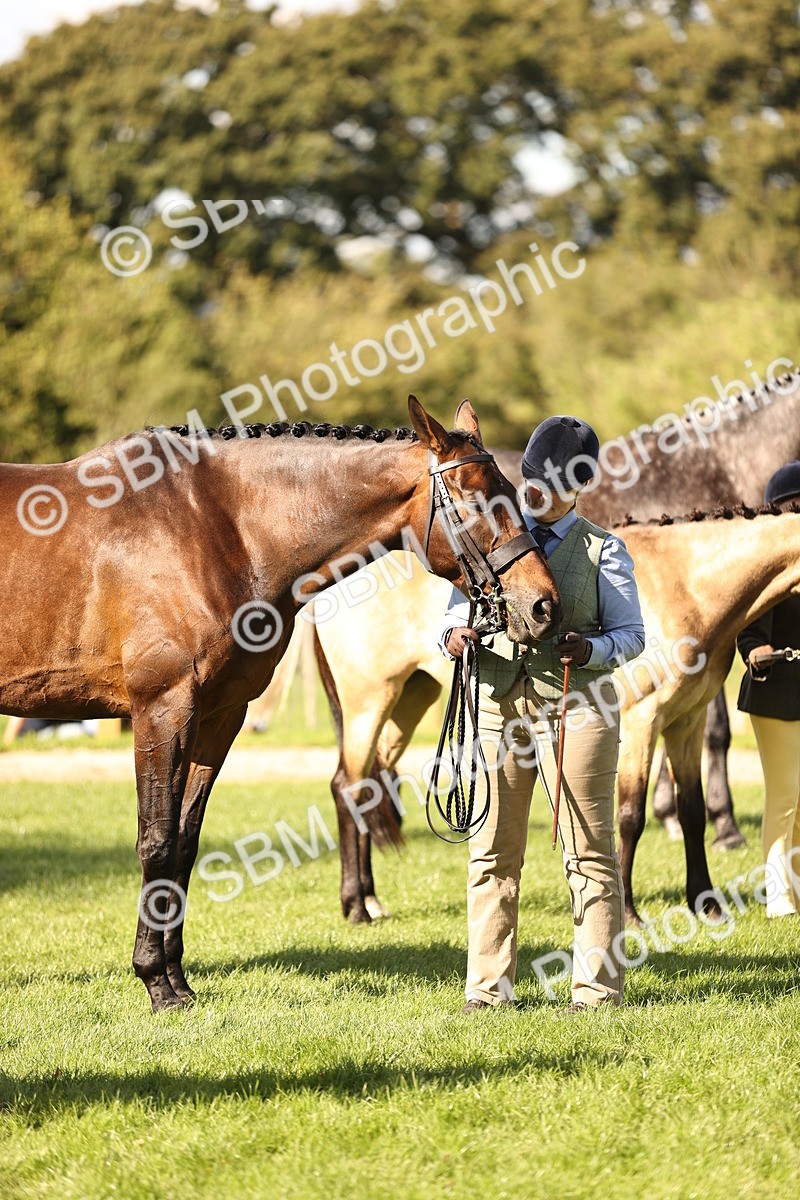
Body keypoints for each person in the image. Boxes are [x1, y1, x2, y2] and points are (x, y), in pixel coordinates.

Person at [440, 415, 645, 1013]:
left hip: (576, 709)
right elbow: (450, 616)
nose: (534, 492)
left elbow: (632, 636)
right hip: (496, 707)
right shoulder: (496, 535)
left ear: (579, 489)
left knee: (590, 854)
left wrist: (592, 649)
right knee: (491, 854)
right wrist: (455, 638)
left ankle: (596, 991)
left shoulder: (605, 551)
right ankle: (487, 989)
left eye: (550, 485)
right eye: (530, 479)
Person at [736, 462, 800, 919]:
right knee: (785, 794)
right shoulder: (765, 566)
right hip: (775, 689)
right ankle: (778, 897)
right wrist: (757, 650)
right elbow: (747, 628)